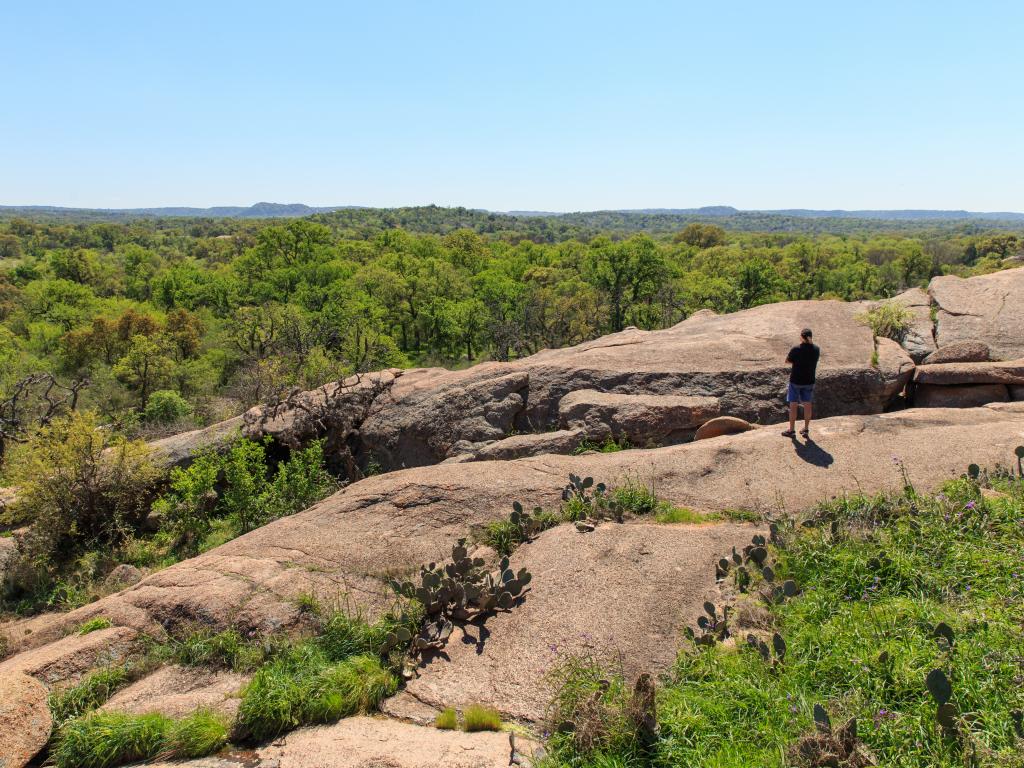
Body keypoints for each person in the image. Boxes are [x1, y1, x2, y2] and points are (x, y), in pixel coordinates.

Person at [783, 328, 819, 438]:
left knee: (793, 405)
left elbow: (787, 361)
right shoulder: (816, 349)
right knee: (807, 405)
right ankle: (806, 429)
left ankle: (791, 430)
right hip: (809, 381)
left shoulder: (796, 349)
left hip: (796, 380)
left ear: (801, 337)